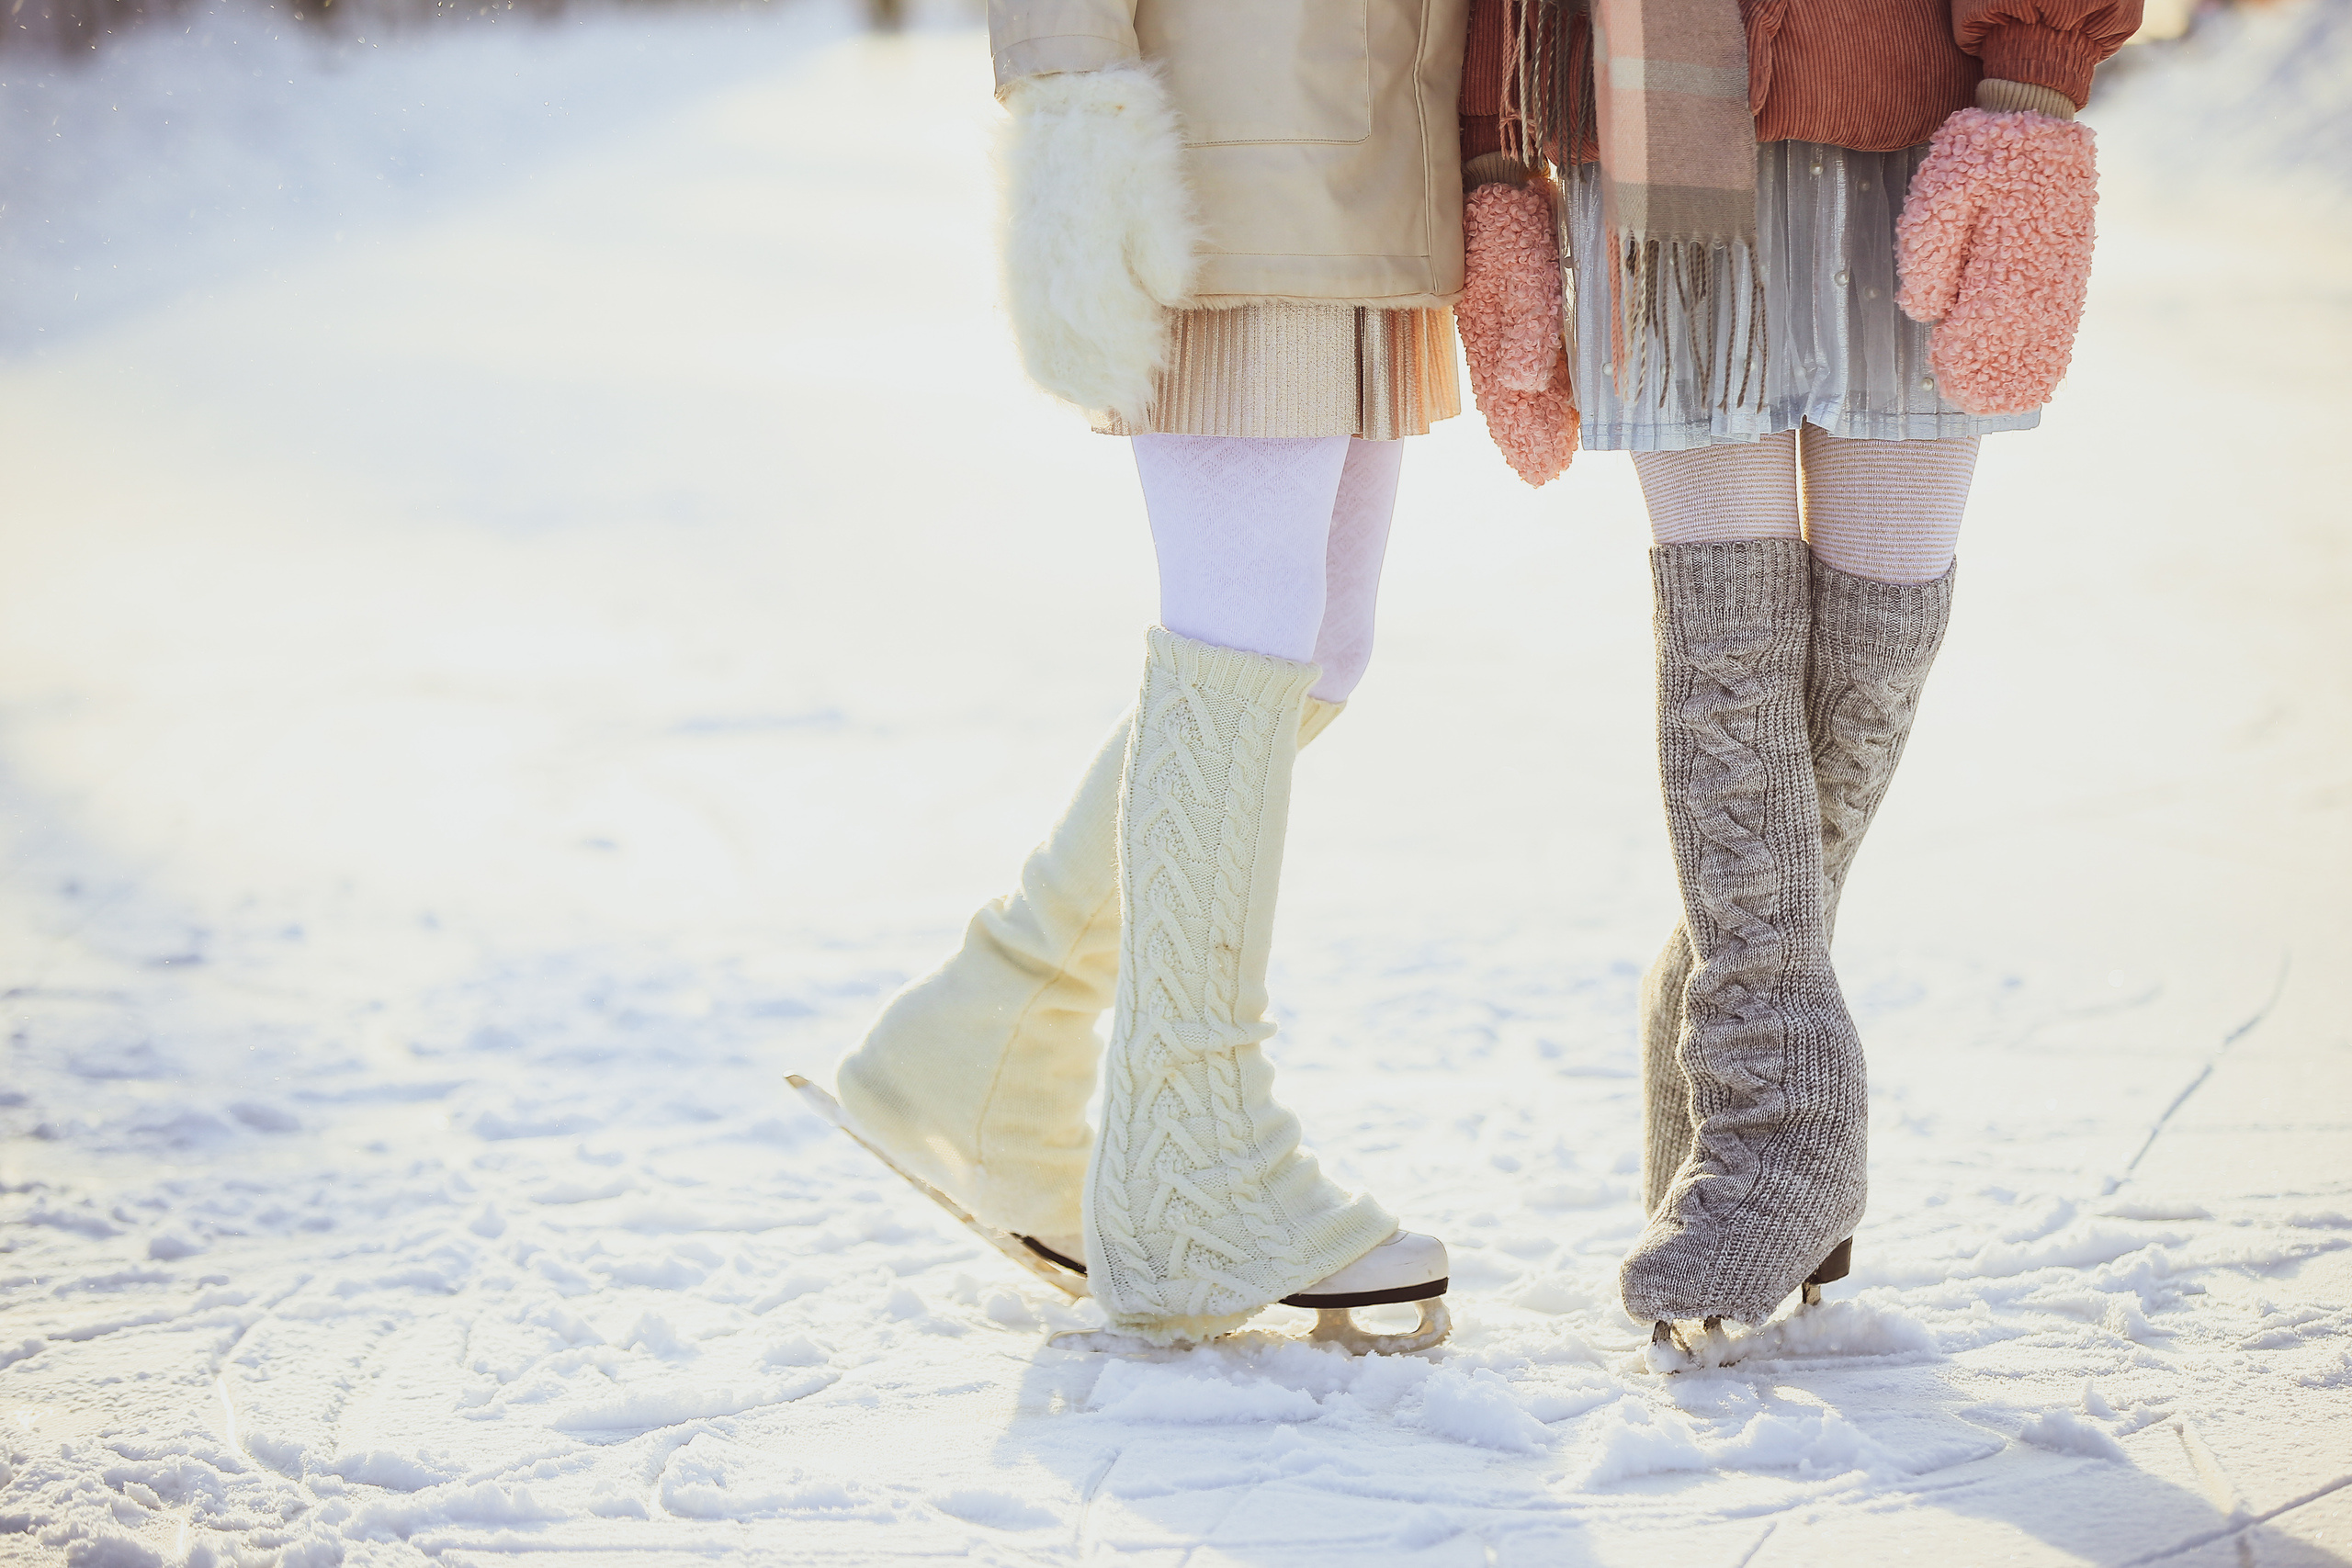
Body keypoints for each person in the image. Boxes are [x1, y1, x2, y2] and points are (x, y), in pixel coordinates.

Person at [1455, 0, 2143, 1341]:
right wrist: (1495, 156)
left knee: (1881, 616)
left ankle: (1717, 994)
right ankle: (1777, 1119)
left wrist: (2039, 89)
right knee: (1725, 638)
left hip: (1919, 103)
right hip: (1652, 118)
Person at [822, 0, 1473, 1351]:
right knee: (1244, 636)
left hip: (1370, 130)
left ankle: (991, 1032)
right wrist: (1070, 94)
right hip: (1230, 130)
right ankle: (1195, 1161)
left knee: (1315, 649)